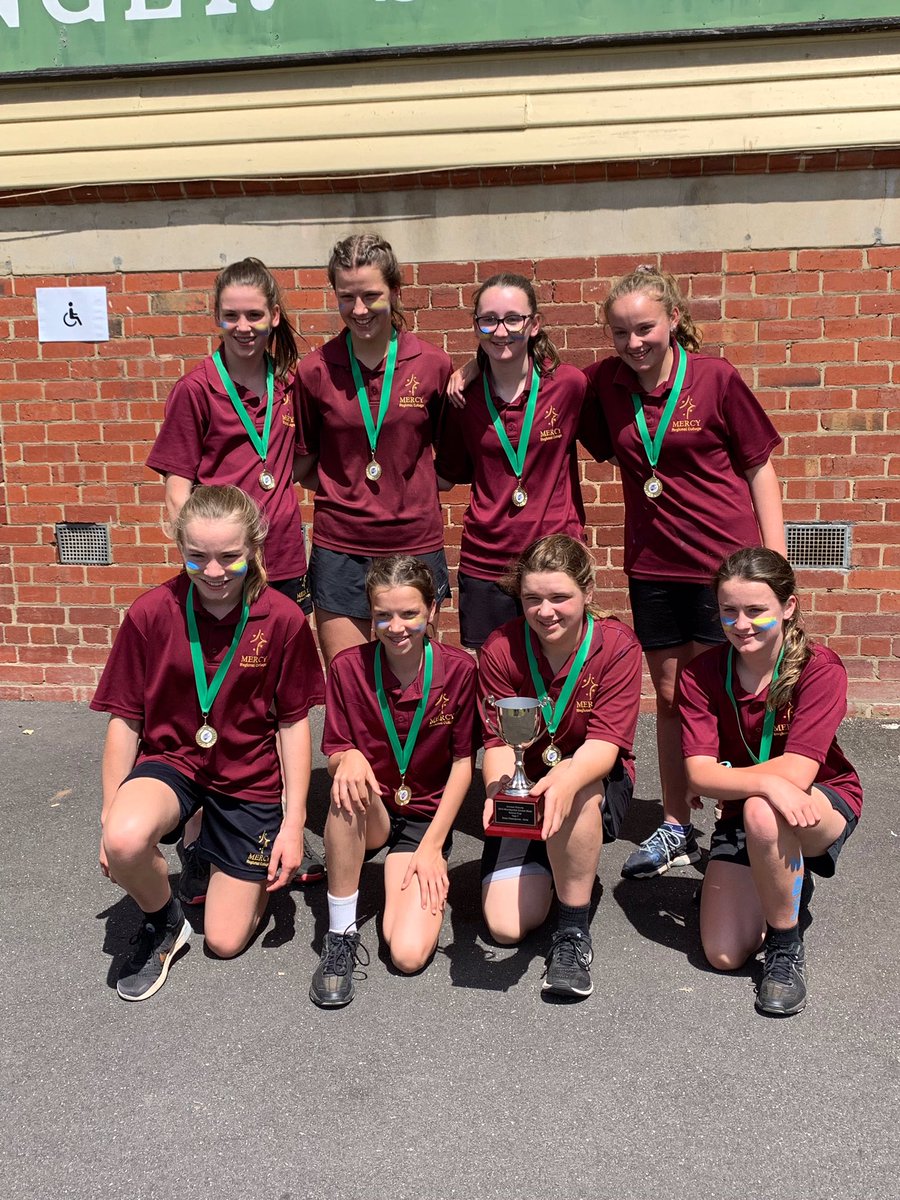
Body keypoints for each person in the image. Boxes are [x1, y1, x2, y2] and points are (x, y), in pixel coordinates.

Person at [580, 264, 785, 881]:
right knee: (670, 698)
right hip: (654, 567)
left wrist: (773, 568)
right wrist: (474, 370)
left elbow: (759, 469)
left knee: (730, 699)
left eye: (645, 327)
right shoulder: (606, 386)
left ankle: (736, 820)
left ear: (672, 320)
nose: (634, 342)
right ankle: (675, 823)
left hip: (726, 568)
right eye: (620, 332)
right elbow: (544, 381)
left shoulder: (716, 378)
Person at [93, 485, 325, 1001]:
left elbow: (292, 726)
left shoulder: (284, 619)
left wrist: (292, 825)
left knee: (223, 941)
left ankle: (220, 856)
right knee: (126, 839)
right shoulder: (151, 613)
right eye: (197, 557)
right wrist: (111, 814)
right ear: (179, 548)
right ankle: (164, 921)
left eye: (230, 556)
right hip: (174, 762)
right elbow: (126, 721)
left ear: (255, 549)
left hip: (248, 777)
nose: (214, 572)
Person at [146, 257, 324, 892]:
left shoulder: (289, 382)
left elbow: (299, 463)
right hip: (226, 571)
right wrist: (204, 563)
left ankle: (275, 820)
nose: (244, 325)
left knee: (275, 700)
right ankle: (197, 829)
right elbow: (176, 490)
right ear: (215, 320)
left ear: (274, 316)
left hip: (283, 568)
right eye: (231, 315)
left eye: (255, 314)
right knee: (215, 694)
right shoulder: (199, 388)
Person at [678, 548, 861, 1016]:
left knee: (765, 808)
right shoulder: (700, 673)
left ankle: (785, 948)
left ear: (789, 606)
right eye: (728, 611)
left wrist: (727, 780)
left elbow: (798, 773)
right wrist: (733, 780)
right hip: (750, 805)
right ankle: (776, 875)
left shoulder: (820, 668)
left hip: (819, 802)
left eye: (756, 610)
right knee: (723, 954)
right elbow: (695, 774)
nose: (742, 624)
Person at [478, 535, 642, 999]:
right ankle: (557, 861)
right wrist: (498, 793)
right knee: (506, 928)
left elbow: (605, 748)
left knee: (575, 785)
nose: (545, 611)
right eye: (532, 599)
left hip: (592, 780)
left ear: (587, 592)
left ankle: (572, 932)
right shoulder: (500, 648)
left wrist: (562, 781)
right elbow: (495, 741)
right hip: (524, 786)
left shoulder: (617, 645)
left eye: (559, 597)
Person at [310, 555, 476, 1008]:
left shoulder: (459, 670)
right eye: (383, 615)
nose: (396, 626)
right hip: (373, 811)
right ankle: (340, 933)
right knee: (347, 785)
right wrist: (348, 758)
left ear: (431, 613)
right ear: (371, 614)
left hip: (423, 820)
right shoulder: (347, 667)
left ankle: (389, 878)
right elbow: (335, 750)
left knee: (406, 954)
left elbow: (464, 763)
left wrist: (432, 847)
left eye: (409, 614)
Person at [293, 233, 453, 667]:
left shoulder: (432, 364)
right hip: (341, 546)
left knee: (414, 680)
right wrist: (345, 489)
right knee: (349, 684)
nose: (359, 310)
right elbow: (305, 464)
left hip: (414, 543)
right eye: (347, 297)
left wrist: (409, 488)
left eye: (371, 296)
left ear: (396, 291)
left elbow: (448, 461)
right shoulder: (315, 370)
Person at [435, 274, 590, 652]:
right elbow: (445, 476)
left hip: (555, 557)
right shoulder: (462, 398)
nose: (500, 331)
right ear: (476, 326)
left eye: (512, 319)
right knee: (492, 679)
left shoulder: (569, 386)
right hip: (487, 560)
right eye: (488, 320)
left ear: (534, 324)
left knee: (561, 673)